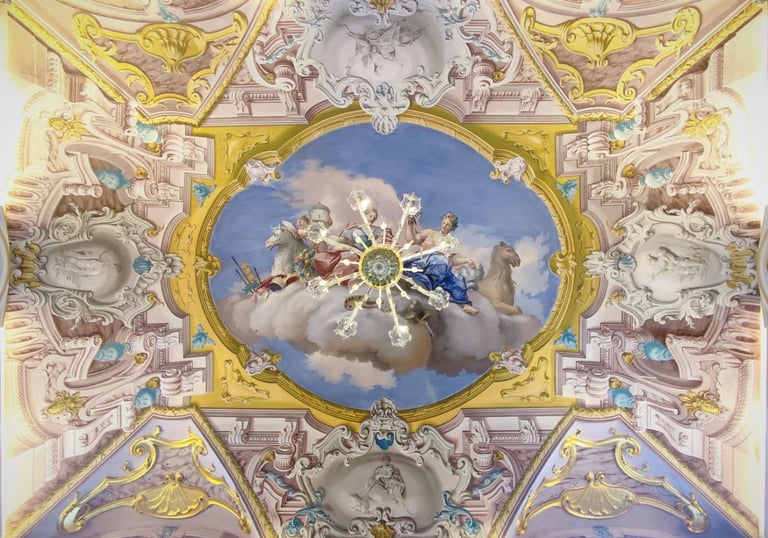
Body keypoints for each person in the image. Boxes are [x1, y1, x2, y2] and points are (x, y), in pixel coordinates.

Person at [405, 211, 479, 314]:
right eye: (444, 223)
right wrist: (410, 225)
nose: (444, 226)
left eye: (448, 225)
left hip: (438, 270)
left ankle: (465, 305)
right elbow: (412, 241)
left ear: (451, 228)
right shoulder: (429, 233)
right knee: (441, 260)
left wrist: (466, 260)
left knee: (458, 278)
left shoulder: (449, 243)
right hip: (421, 263)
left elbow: (450, 261)